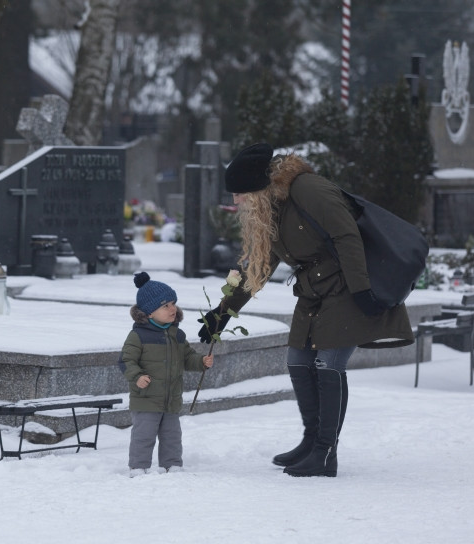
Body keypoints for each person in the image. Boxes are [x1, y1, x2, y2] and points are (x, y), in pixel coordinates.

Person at [199, 143, 413, 477]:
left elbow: (347, 236)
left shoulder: (307, 189)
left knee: (329, 364)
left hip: (348, 286)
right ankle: (311, 440)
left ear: (256, 185)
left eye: (239, 193)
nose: (236, 201)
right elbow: (261, 265)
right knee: (297, 359)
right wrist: (223, 312)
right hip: (314, 291)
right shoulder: (269, 208)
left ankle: (326, 453)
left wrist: (362, 292)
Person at [120, 271, 214, 477]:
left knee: (172, 435)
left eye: (173, 303)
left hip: (171, 398)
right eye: (166, 306)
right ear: (149, 312)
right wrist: (137, 377)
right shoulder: (138, 335)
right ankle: (138, 466)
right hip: (146, 397)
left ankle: (172, 465)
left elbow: (186, 357)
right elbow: (126, 361)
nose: (173, 309)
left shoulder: (176, 334)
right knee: (144, 435)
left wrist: (201, 362)